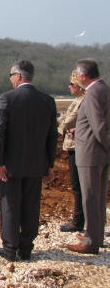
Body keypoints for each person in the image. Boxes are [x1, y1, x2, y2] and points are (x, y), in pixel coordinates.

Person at [0, 60, 58, 261]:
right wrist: (49, 164)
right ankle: (26, 248)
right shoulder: (47, 100)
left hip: (11, 164)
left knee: (10, 205)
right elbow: (52, 135)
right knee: (31, 206)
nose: (11, 79)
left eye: (11, 75)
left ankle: (10, 249)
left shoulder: (7, 98)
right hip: (37, 164)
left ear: (18, 76)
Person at [65, 58, 110, 255]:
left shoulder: (92, 94)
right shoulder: (104, 89)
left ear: (83, 75)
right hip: (99, 152)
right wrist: (80, 130)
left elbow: (99, 127)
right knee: (98, 197)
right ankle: (96, 235)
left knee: (90, 197)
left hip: (91, 153)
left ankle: (91, 242)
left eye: (77, 74)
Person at [57, 71, 86, 233]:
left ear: (79, 87)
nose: (69, 87)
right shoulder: (79, 101)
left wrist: (59, 123)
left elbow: (68, 121)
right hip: (75, 145)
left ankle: (78, 221)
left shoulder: (80, 102)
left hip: (76, 146)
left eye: (72, 84)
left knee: (77, 185)